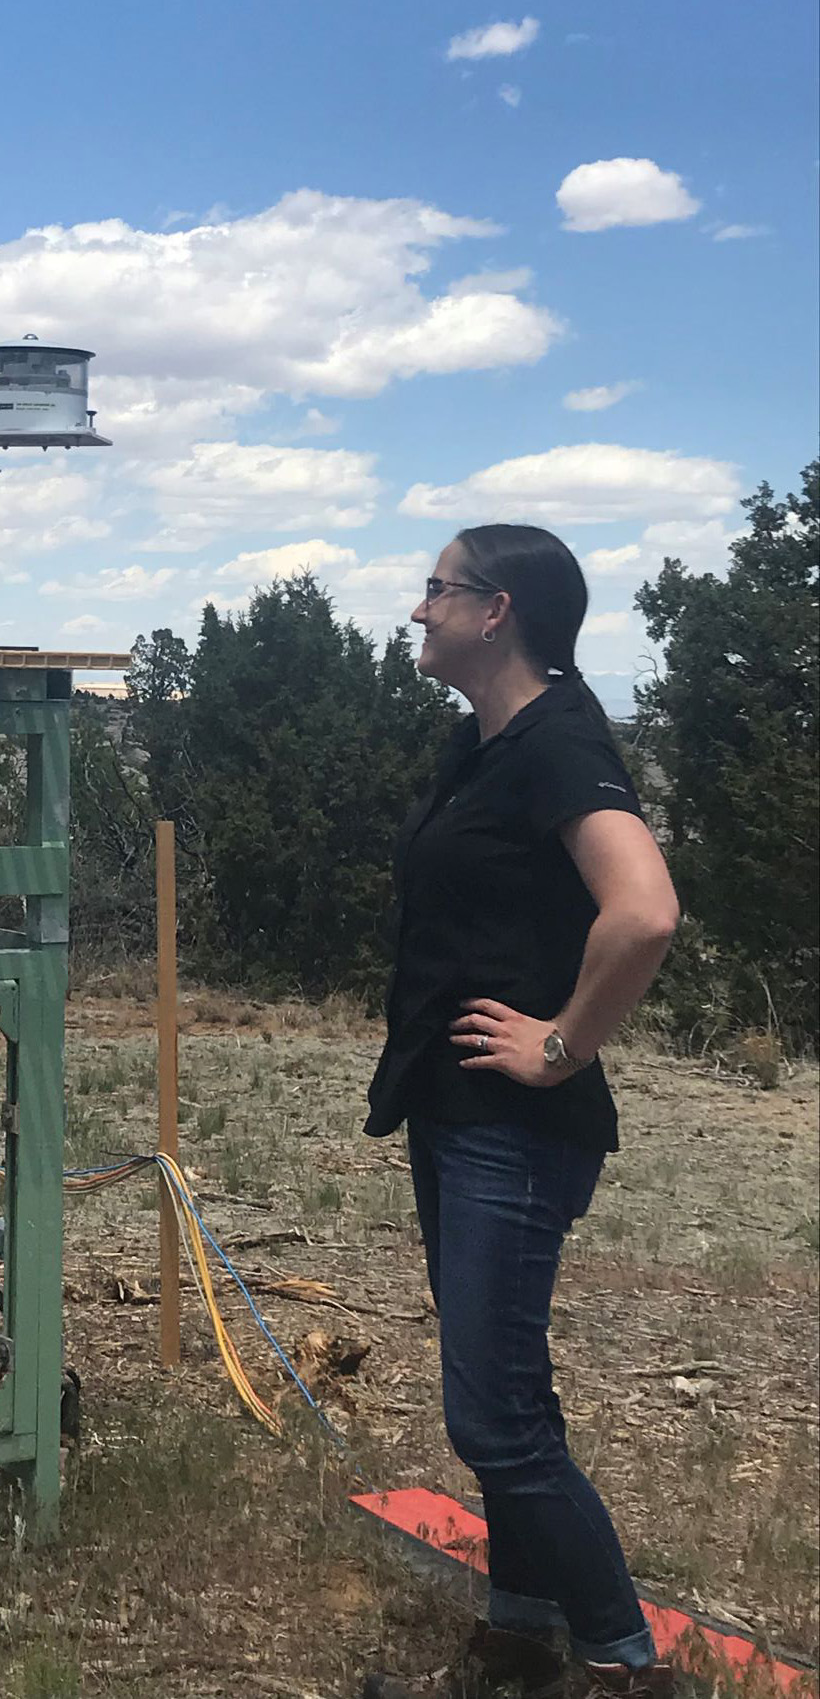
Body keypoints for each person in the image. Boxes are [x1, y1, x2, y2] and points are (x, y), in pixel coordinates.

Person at [361, 526, 692, 1699]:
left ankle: (622, 1661)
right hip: (455, 1111)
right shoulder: (480, 742)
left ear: (496, 609)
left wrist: (556, 1044)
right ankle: (513, 1642)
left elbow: (642, 910)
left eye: (435, 589)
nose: (417, 609)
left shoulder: (557, 739)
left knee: (494, 1417)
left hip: (515, 1125)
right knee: (501, 1396)